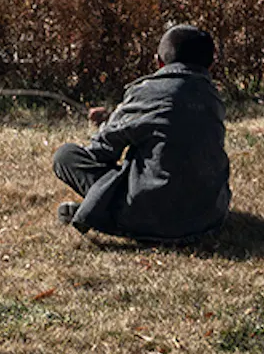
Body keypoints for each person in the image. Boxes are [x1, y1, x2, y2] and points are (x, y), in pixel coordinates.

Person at [54, 22, 231, 243]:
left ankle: (106, 213)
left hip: (149, 216)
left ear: (159, 62)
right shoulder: (213, 98)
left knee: (65, 156)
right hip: (208, 218)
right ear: (211, 65)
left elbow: (102, 151)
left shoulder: (146, 92)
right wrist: (114, 117)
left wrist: (108, 123)